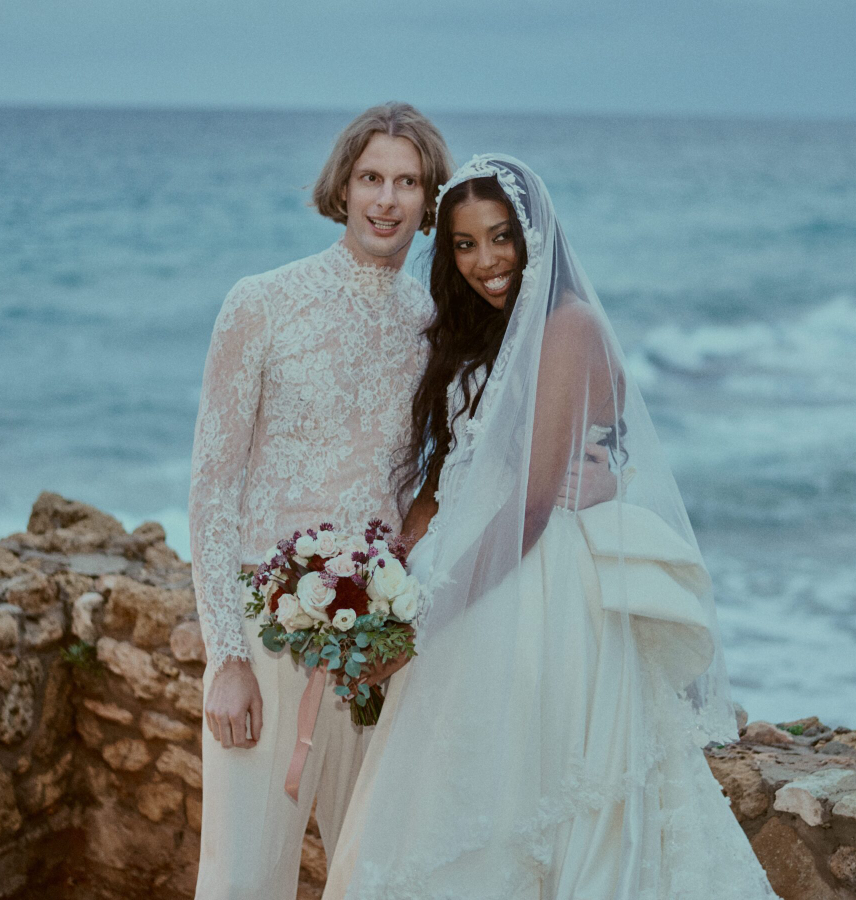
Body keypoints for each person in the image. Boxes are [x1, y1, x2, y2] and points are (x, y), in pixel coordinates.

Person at [321, 155, 780, 899]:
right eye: (465, 244)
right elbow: (449, 474)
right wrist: (395, 565)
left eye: (501, 238)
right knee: (455, 789)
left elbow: (533, 503)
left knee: (532, 796)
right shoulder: (482, 332)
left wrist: (427, 619)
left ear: (537, 237)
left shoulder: (570, 325)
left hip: (536, 584)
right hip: (468, 565)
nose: (486, 262)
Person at [186, 102, 452, 898]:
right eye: (372, 177)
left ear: (429, 200)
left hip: (376, 652)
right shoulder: (260, 301)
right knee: (243, 875)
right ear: (343, 185)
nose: (387, 199)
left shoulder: (433, 324)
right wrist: (227, 658)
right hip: (265, 640)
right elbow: (211, 488)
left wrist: (403, 601)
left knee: (368, 875)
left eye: (407, 182)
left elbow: (430, 486)